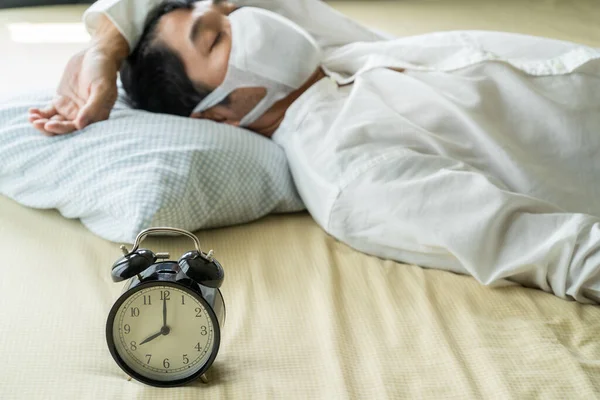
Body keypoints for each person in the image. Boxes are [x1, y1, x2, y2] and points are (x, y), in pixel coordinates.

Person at [29, 0, 600, 303]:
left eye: (226, 10)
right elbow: (560, 254)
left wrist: (107, 47)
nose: (241, 16)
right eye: (218, 35)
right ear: (220, 115)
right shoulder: (351, 173)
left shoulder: (323, 53)